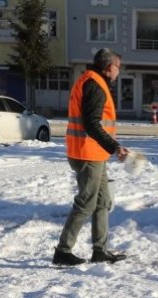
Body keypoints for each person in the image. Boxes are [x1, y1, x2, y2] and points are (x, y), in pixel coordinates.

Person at [52, 48, 130, 266]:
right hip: (87, 153)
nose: (119, 70)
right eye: (118, 66)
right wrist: (114, 146)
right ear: (109, 67)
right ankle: (63, 251)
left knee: (103, 201)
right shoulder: (95, 85)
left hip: (94, 153)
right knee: (86, 202)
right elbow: (92, 124)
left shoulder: (94, 81)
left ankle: (100, 250)